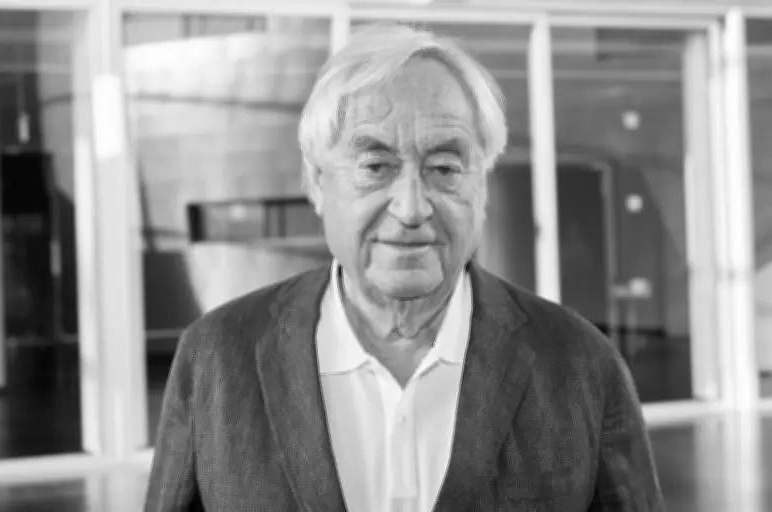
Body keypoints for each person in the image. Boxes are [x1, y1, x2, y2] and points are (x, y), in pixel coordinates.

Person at [144, 23, 665, 512]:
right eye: (375, 166)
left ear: (481, 184)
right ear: (318, 182)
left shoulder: (580, 364)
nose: (412, 208)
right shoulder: (216, 359)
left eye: (445, 168)